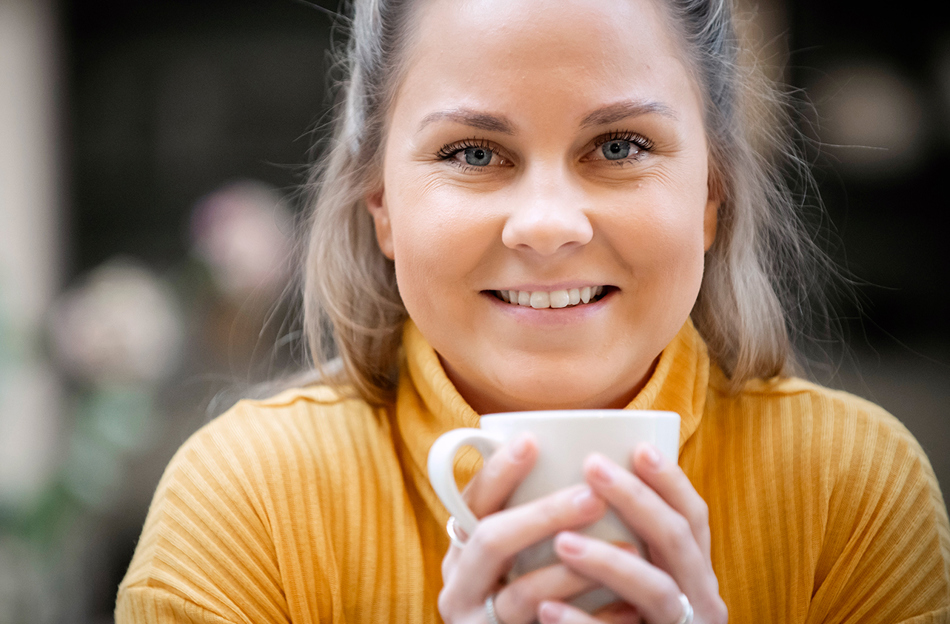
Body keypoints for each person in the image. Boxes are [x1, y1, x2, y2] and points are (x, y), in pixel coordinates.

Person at [115, 0, 950, 622]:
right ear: (382, 205)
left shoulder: (852, 492)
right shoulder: (245, 508)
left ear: (710, 197)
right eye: (473, 153)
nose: (548, 225)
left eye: (619, 146)